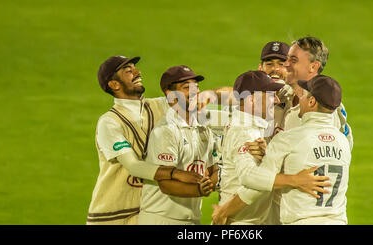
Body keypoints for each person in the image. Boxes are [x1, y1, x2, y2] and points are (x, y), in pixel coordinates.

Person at [212, 75, 351, 225]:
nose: (298, 100)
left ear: (311, 102)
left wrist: (223, 211)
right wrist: (269, 155)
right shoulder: (343, 142)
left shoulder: (288, 139)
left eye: (303, 95)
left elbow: (255, 185)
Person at [87, 56, 204, 225]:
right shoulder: (109, 122)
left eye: (135, 68)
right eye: (129, 71)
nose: (137, 72)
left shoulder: (159, 107)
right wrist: (176, 174)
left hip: (146, 213)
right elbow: (133, 166)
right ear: (114, 84)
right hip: (111, 216)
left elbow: (202, 108)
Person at [138, 65, 217, 225]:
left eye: (196, 86)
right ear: (170, 94)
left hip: (192, 219)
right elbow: (166, 184)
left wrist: (211, 182)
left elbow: (212, 169)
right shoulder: (166, 131)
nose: (194, 92)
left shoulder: (203, 129)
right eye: (186, 87)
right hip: (161, 219)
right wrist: (199, 190)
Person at [218, 70, 284, 225]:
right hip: (241, 222)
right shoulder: (245, 133)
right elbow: (250, 179)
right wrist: (296, 180)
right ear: (251, 100)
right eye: (270, 95)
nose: (277, 100)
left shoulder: (244, 126)